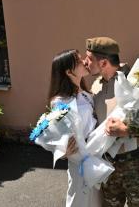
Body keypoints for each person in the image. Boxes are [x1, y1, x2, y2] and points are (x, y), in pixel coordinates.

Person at [84, 37, 139, 207]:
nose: (85, 62)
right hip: (108, 165)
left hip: (137, 165)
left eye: (89, 58)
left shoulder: (138, 81)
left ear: (103, 63)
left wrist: (127, 130)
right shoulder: (96, 86)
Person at [48, 49, 100, 207]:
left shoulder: (86, 94)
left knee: (96, 200)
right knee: (79, 199)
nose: (84, 61)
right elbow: (58, 135)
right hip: (79, 160)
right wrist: (62, 151)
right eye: (78, 61)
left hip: (96, 156)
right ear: (69, 71)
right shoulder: (60, 101)